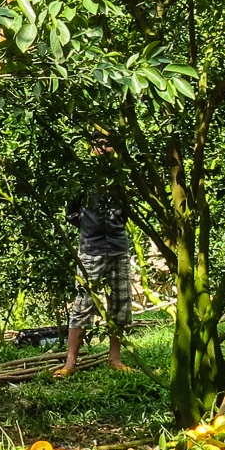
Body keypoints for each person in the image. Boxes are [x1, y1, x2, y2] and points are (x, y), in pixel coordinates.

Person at [61, 149, 133, 376]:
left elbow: (127, 211)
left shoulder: (121, 177)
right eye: (99, 143)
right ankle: (70, 363)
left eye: (108, 143)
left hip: (118, 247)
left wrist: (114, 226)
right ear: (92, 147)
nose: (104, 148)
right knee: (83, 303)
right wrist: (89, 227)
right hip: (91, 249)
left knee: (120, 303)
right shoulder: (83, 177)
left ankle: (115, 359)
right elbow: (71, 212)